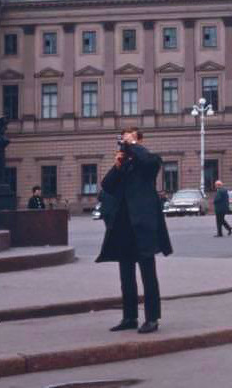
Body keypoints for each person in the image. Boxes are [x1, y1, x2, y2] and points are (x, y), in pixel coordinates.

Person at [97, 127, 173, 334]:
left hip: (144, 226)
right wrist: (117, 165)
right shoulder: (125, 165)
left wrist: (133, 146)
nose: (125, 143)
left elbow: (149, 162)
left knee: (148, 274)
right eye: (123, 139)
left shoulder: (149, 161)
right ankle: (129, 316)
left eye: (129, 138)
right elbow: (107, 186)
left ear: (140, 140)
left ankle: (152, 318)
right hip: (124, 228)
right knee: (126, 275)